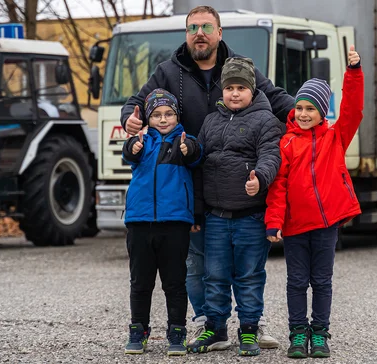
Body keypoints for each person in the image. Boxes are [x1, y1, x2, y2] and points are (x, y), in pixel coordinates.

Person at [120, 5, 294, 348]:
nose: (199, 33)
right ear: (186, 34)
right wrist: (130, 117)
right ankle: (209, 323)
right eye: (193, 27)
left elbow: (275, 99)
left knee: (245, 266)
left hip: (236, 183)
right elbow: (137, 102)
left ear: (219, 33)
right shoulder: (167, 70)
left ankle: (250, 325)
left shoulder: (240, 68)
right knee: (198, 262)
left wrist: (308, 114)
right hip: (187, 180)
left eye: (206, 27)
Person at [265, 45, 364, 358]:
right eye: (300, 108)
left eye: (311, 109)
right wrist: (274, 221)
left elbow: (353, 109)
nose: (304, 114)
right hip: (295, 227)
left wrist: (354, 73)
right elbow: (278, 186)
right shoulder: (287, 143)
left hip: (325, 225)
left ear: (323, 112)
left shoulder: (335, 138)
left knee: (322, 281)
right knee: (296, 283)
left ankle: (319, 333)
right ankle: (297, 334)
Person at [187, 57, 284, 356]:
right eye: (229, 87)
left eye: (241, 87)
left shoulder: (265, 120)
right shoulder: (211, 121)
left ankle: (249, 330)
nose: (234, 93)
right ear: (222, 91)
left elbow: (271, 156)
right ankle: (215, 330)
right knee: (214, 276)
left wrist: (261, 179)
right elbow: (200, 166)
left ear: (252, 90)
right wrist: (197, 211)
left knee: (250, 276)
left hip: (250, 217)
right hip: (216, 217)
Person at [121, 89, 202, 356]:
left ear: (177, 116)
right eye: (156, 115)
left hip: (175, 223)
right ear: (148, 117)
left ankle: (177, 332)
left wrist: (189, 149)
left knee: (175, 282)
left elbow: (197, 154)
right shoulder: (142, 140)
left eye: (169, 114)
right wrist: (132, 146)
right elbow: (128, 155)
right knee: (140, 283)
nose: (163, 119)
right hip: (140, 222)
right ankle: (138, 330)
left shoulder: (184, 139)